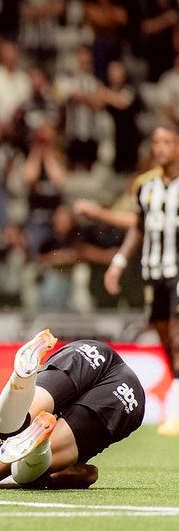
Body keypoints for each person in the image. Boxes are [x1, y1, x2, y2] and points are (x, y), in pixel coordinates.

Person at [0, 329, 144, 489]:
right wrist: (9, 481)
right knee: (30, 468)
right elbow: (89, 473)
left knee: (7, 427)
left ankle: (22, 375)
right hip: (123, 396)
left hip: (86, 358)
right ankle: (35, 442)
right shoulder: (29, 475)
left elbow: (1, 453)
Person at [104, 124, 179, 436]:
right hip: (154, 270)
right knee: (163, 331)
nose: (159, 147)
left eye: (167, 141)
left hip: (178, 269)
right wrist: (118, 262)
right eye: (156, 141)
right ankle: (176, 385)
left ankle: (176, 402)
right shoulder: (144, 185)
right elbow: (138, 226)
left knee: (176, 331)